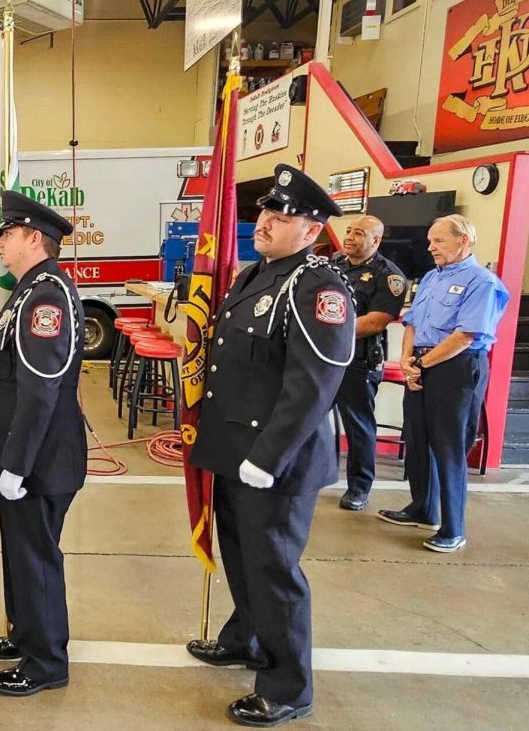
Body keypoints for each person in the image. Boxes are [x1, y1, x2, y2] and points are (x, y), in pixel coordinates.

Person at [186, 164, 355, 728]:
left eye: (281, 218)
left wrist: (268, 456)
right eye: (264, 213)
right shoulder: (257, 275)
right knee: (241, 555)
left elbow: (314, 382)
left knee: (276, 571)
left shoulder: (317, 286)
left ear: (311, 231)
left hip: (275, 462)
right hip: (236, 452)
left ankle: (288, 686)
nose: (265, 223)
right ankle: (247, 638)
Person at [0, 190, 85, 698]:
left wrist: (16, 462)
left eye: (7, 234)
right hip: (25, 454)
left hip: (39, 459)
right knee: (20, 553)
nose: (0, 243)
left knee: (35, 557)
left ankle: (45, 661)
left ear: (33, 238)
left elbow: (41, 389)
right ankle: (26, 633)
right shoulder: (29, 288)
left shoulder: (46, 296)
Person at [378, 214, 508, 553]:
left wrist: (420, 364)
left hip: (457, 368)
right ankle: (422, 508)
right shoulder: (433, 279)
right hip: (421, 363)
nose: (430, 247)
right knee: (418, 438)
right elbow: (411, 322)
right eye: (431, 241)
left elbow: (466, 335)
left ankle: (453, 527)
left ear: (463, 240)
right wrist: (407, 359)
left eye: (439, 241)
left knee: (448, 447)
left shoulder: (482, 282)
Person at [331, 216, 407, 511]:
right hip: (326, 359)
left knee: (359, 426)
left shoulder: (388, 276)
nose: (349, 237)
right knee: (307, 418)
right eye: (349, 231)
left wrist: (329, 331)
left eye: (358, 233)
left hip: (359, 361)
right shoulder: (335, 263)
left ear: (375, 241)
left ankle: (359, 488)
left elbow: (376, 321)